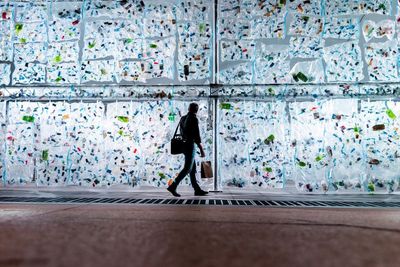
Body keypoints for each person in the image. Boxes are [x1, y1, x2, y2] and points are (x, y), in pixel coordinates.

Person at [167, 103, 208, 197]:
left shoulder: (183, 118)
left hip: (184, 145)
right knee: (187, 168)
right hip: (190, 145)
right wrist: (201, 148)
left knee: (192, 169)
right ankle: (173, 186)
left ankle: (197, 189)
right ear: (196, 110)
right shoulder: (193, 119)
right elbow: (196, 135)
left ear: (189, 108)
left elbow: (182, 132)